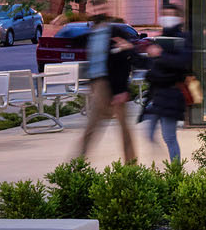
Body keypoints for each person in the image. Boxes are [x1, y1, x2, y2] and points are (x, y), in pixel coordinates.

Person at [77, 15, 140, 165]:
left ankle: (131, 165)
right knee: (95, 126)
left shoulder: (115, 34)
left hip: (110, 86)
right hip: (98, 85)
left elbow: (124, 64)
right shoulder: (92, 36)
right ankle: (79, 163)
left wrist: (121, 90)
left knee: (120, 126)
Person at [138, 13, 192, 167]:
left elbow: (181, 65)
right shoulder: (160, 41)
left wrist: (160, 55)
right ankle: (161, 165)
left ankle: (174, 169)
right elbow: (149, 67)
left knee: (169, 137)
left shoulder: (183, 40)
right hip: (157, 97)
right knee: (149, 134)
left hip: (171, 97)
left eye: (171, 14)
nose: (168, 18)